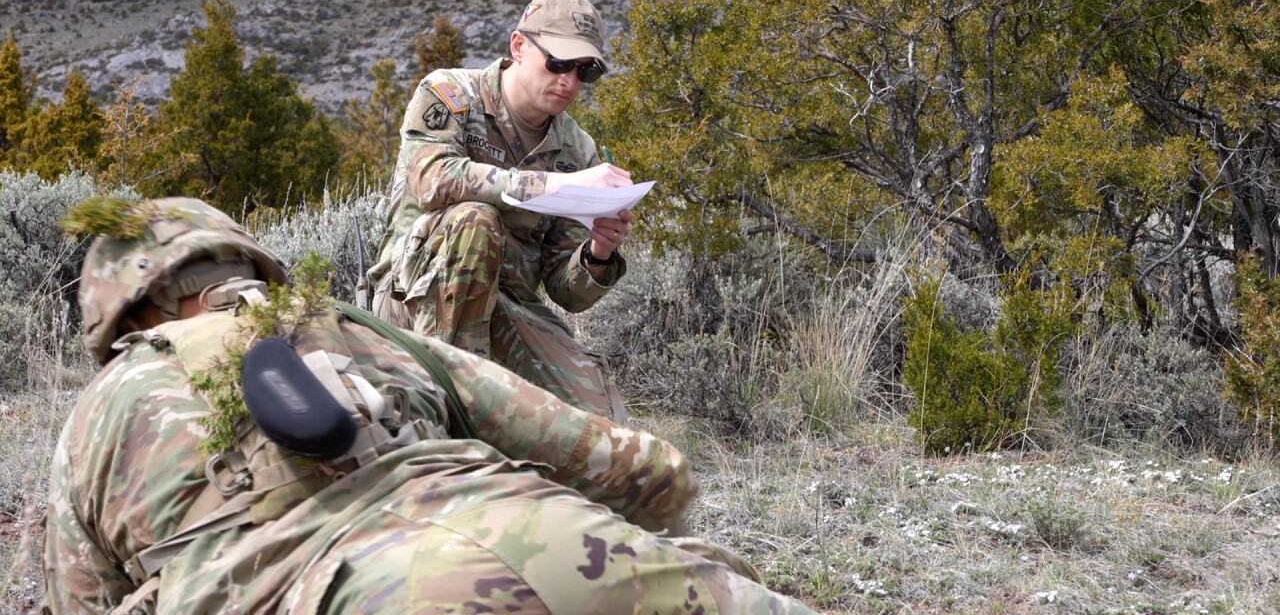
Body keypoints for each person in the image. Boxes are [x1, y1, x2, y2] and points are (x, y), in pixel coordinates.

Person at [43, 196, 815, 615]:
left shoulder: (95, 419)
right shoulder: (366, 332)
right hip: (569, 549)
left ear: (120, 316)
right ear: (249, 263)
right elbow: (639, 469)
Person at [368, 0, 631, 422]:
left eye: (585, 70)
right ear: (519, 45)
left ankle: (491, 411)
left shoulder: (576, 149)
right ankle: (447, 415)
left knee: (601, 430)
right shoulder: (450, 93)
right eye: (558, 63)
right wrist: (552, 185)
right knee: (476, 220)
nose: (569, 81)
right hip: (413, 295)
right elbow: (432, 179)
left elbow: (565, 290)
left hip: (508, 309)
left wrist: (598, 251)